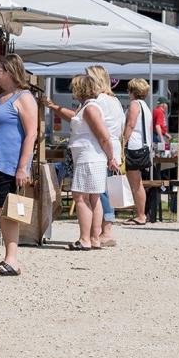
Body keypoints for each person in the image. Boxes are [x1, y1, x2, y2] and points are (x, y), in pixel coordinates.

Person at [0, 54, 36, 276]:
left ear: (11, 71)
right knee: (0, 208)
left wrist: (23, 166)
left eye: (0, 70)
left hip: (8, 162)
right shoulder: (2, 97)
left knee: (7, 209)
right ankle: (9, 256)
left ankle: (12, 258)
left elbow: (31, 133)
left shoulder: (24, 97)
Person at [54, 75, 117, 250]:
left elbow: (104, 136)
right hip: (90, 157)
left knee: (80, 197)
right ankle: (94, 238)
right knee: (94, 197)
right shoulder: (87, 107)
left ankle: (85, 239)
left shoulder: (90, 108)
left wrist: (111, 157)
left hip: (88, 157)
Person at [85, 65, 124, 245]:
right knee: (105, 190)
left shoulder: (98, 101)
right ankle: (104, 229)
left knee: (101, 191)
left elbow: (99, 130)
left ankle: (105, 230)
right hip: (114, 145)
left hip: (104, 148)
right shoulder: (114, 100)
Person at [121, 78, 152, 226]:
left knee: (135, 183)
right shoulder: (145, 106)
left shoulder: (134, 104)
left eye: (129, 90)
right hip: (143, 146)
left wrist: (123, 143)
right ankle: (141, 214)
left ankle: (141, 215)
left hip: (134, 147)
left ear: (133, 91)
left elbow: (131, 124)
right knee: (137, 182)